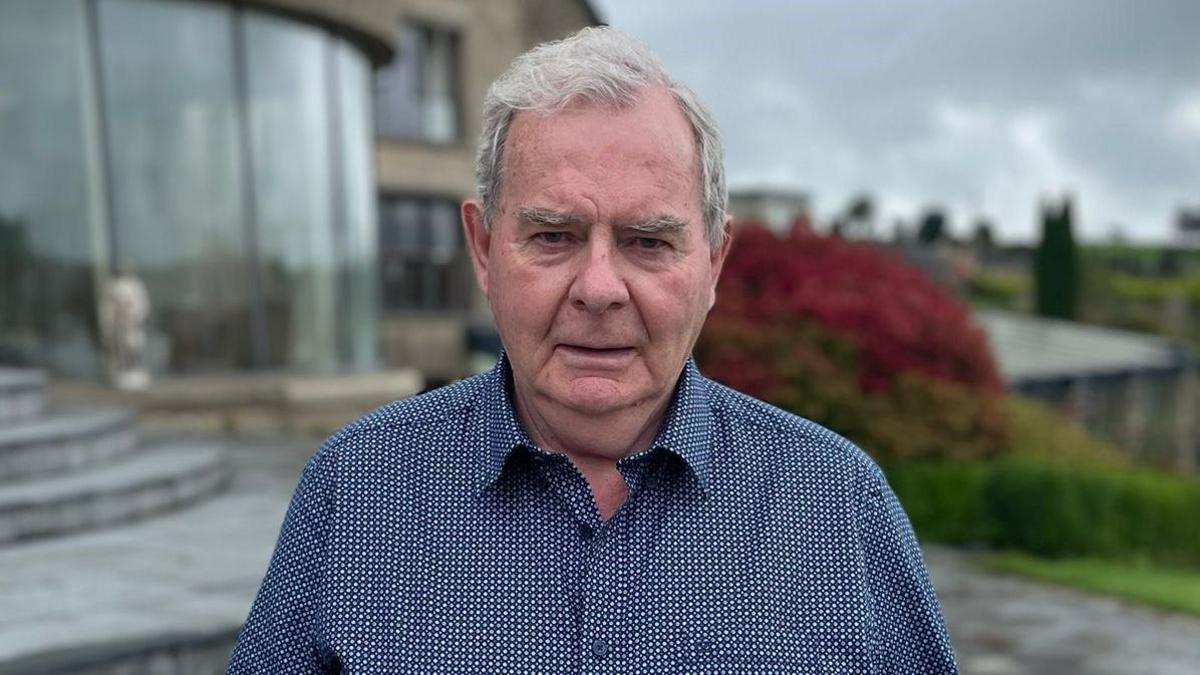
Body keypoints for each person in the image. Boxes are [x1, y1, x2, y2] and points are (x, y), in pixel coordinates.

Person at [228, 27, 957, 674]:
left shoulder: (835, 505)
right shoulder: (354, 494)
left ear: (715, 262)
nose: (599, 288)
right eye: (553, 236)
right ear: (484, 250)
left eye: (648, 241)